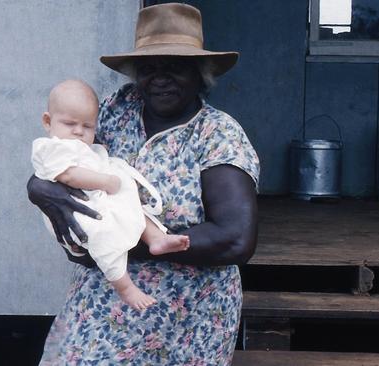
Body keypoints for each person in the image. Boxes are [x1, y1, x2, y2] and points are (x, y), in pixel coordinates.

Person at [28, 3, 260, 365]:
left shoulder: (217, 134)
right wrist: (37, 188)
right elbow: (62, 154)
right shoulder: (115, 111)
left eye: (175, 67)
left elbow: (236, 239)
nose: (160, 78)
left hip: (185, 318)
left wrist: (121, 241)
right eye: (149, 68)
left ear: (201, 74)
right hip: (102, 307)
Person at [31, 79, 190, 311]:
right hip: (80, 206)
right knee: (103, 236)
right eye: (69, 124)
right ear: (48, 121)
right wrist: (107, 181)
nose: (78, 131)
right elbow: (69, 176)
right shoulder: (50, 147)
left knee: (130, 205)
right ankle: (125, 286)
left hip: (100, 195)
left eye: (87, 127)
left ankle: (155, 236)